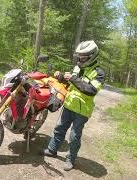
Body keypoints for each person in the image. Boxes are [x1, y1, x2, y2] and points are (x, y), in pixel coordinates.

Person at [41, 40, 105, 171]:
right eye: (79, 55)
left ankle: (70, 159)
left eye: (84, 55)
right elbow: (71, 84)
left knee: (74, 136)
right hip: (69, 105)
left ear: (92, 55)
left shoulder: (99, 73)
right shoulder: (77, 67)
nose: (80, 58)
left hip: (81, 111)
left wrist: (73, 79)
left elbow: (91, 90)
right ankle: (52, 150)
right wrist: (61, 77)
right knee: (59, 129)